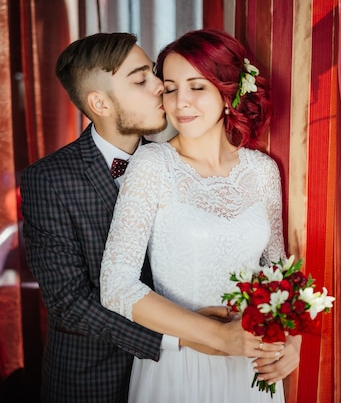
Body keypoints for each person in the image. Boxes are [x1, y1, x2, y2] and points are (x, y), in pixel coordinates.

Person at [20, 32, 263, 403]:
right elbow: (69, 301)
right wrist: (185, 336)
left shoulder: (170, 163)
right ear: (100, 102)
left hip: (187, 375)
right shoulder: (49, 179)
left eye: (154, 75)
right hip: (94, 376)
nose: (159, 89)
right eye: (141, 80)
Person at [100, 28, 301, 403]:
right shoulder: (152, 164)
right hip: (180, 368)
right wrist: (217, 336)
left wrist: (292, 342)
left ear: (229, 92)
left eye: (197, 87)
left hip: (251, 368)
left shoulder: (262, 170)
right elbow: (116, 286)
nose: (181, 103)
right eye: (171, 88)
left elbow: (277, 272)